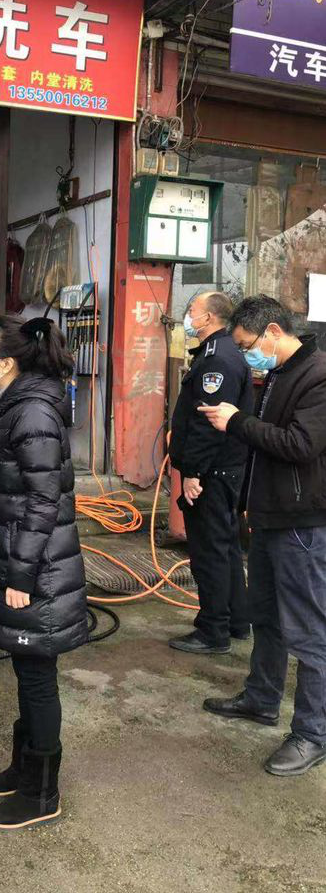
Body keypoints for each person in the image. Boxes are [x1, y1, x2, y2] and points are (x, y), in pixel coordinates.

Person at [0, 315, 88, 830]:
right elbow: (16, 469)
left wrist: (20, 578)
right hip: (27, 558)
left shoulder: (32, 410)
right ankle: (24, 768)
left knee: (38, 676)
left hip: (37, 570)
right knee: (26, 667)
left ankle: (42, 794)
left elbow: (43, 502)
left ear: (6, 363)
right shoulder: (17, 404)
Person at [200, 295, 326, 777]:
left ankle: (312, 733)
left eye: (248, 344)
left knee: (309, 631)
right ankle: (261, 698)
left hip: (303, 524)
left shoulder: (318, 375)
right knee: (265, 618)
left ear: (273, 331)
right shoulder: (279, 374)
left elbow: (300, 445)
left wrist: (237, 421)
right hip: (270, 517)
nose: (246, 355)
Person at [168, 291, 253, 654]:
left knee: (209, 552)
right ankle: (236, 621)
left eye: (193, 310)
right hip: (221, 471)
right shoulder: (218, 353)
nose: (188, 315)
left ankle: (213, 631)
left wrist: (192, 473)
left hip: (212, 473)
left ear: (210, 317)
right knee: (226, 547)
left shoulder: (218, 359)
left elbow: (208, 424)